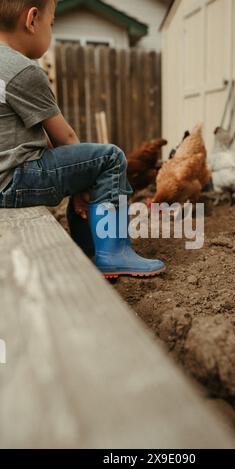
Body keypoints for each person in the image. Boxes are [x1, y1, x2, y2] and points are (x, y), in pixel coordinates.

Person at [0, 0, 165, 278]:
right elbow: (65, 137)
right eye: (51, 24)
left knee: (91, 167)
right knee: (109, 158)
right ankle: (112, 253)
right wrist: (82, 181)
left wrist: (80, 178)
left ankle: (90, 252)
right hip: (16, 178)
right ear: (32, 20)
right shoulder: (22, 70)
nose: (51, 32)